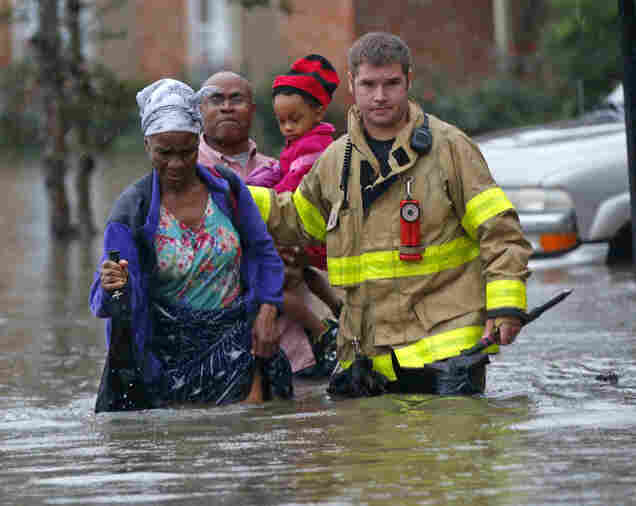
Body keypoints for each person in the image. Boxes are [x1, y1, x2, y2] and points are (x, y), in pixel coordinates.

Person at [248, 32, 533, 395]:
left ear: (408, 81)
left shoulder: (450, 149)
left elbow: (501, 232)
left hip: (448, 354)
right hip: (368, 356)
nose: (379, 96)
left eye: (391, 84)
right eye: (368, 84)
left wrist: (506, 306)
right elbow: (299, 222)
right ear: (351, 84)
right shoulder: (336, 160)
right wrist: (233, 194)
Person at [90, 78, 293, 408]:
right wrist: (113, 285)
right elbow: (112, 300)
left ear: (197, 142)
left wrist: (269, 309)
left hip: (238, 351)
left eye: (186, 151)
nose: (176, 163)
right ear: (147, 146)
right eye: (164, 153)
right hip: (167, 363)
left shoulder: (226, 189)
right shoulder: (131, 212)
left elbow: (262, 252)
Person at [197, 71, 341, 376]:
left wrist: (301, 250)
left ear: (253, 110)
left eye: (236, 99)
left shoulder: (279, 167)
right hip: (218, 350)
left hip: (295, 351)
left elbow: (327, 231)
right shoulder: (184, 171)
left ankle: (328, 327)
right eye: (216, 99)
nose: (226, 107)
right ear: (199, 110)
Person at [268, 54, 344, 374]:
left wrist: (263, 195)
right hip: (310, 232)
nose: (287, 127)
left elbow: (294, 187)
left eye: (293, 119)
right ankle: (339, 309)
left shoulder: (315, 146)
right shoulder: (301, 141)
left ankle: (320, 331)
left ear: (318, 111)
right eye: (281, 121)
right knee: (307, 274)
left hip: (310, 230)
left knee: (277, 290)